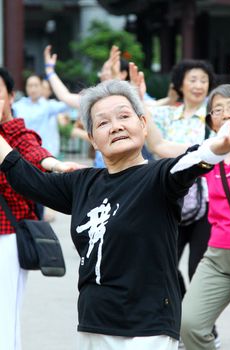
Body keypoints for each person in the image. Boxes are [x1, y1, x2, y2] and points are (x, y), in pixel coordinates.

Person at [0, 79, 230, 350]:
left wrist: (216, 148)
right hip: (93, 325)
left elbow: (190, 162)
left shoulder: (158, 177)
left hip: (147, 330)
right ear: (92, 140)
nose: (116, 126)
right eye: (102, 123)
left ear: (143, 124)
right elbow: (25, 177)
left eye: (124, 116)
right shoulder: (82, 183)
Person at [0, 67, 82, 350]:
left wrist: (58, 166)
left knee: (3, 315)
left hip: (6, 235)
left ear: (11, 97)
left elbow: (36, 154)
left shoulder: (17, 133)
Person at [147, 59, 215, 301]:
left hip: (207, 204)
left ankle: (202, 328)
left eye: (204, 81)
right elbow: (142, 115)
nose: (199, 85)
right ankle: (182, 313)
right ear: (180, 84)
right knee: (164, 264)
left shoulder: (215, 116)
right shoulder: (167, 115)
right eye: (193, 80)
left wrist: (170, 150)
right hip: (171, 200)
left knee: (199, 269)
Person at [181, 84, 230, 350]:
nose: (226, 114)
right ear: (211, 120)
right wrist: (141, 100)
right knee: (189, 325)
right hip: (218, 258)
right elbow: (159, 146)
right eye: (219, 109)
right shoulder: (207, 154)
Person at [13, 74, 70, 157]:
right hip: (24, 154)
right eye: (30, 85)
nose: (33, 89)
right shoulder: (18, 106)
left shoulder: (48, 106)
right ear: (26, 87)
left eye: (36, 85)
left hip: (45, 154)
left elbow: (68, 102)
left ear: (41, 87)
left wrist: (52, 76)